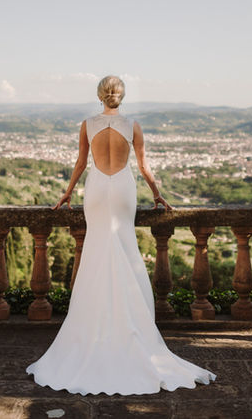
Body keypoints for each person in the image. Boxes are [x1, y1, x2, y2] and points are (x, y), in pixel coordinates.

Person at [25, 75, 217, 395]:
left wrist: (67, 193)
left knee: (98, 250)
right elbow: (143, 167)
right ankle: (132, 327)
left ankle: (92, 328)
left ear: (100, 95)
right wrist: (157, 194)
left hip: (98, 188)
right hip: (124, 189)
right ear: (121, 96)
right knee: (125, 249)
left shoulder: (87, 124)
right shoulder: (133, 125)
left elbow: (80, 163)